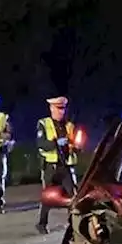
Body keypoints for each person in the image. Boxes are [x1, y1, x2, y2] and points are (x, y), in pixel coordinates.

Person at [35, 96, 80, 234]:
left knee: (73, 196)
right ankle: (42, 223)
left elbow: (77, 144)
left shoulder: (70, 125)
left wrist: (75, 146)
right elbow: (41, 144)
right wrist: (57, 143)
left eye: (63, 109)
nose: (61, 112)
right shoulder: (43, 123)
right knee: (48, 196)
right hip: (51, 166)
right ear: (51, 108)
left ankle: (73, 225)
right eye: (58, 109)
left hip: (66, 166)